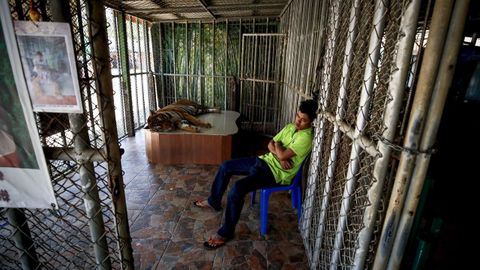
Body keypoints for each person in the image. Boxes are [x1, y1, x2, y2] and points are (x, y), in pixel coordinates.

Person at [193, 99, 318, 249]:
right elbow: (270, 144)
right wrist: (279, 149)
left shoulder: (306, 137)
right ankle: (214, 200)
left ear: (311, 122)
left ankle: (226, 232)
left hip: (276, 174)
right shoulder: (290, 127)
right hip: (263, 161)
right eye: (298, 116)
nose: (298, 122)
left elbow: (283, 155)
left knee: (238, 188)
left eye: (303, 120)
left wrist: (278, 150)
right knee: (226, 166)